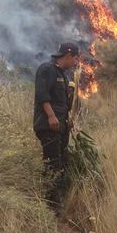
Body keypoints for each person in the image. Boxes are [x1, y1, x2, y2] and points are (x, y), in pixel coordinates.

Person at [33, 42, 80, 211]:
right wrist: (51, 116)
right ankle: (52, 207)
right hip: (48, 125)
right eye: (75, 59)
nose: (75, 63)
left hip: (60, 127)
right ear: (68, 56)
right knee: (53, 163)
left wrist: (69, 119)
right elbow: (42, 95)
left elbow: (63, 103)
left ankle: (53, 200)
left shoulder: (64, 75)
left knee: (61, 163)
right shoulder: (47, 69)